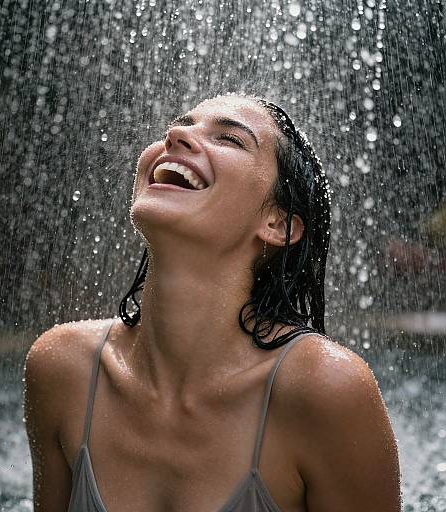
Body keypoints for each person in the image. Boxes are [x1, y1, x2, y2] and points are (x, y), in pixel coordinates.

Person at [24, 94, 401, 512]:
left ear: (277, 223)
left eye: (230, 139)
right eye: (179, 124)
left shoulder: (326, 390)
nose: (175, 135)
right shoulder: (63, 368)